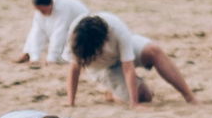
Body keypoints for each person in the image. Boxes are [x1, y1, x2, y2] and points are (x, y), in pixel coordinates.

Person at [67, 11, 196, 107]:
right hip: (101, 68)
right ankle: (112, 94)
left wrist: (134, 104)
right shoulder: (76, 36)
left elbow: (128, 68)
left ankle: (189, 97)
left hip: (121, 54)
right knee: (146, 96)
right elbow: (74, 69)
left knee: (154, 50)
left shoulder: (116, 29)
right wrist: (71, 102)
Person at [14, 0, 89, 66]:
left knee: (61, 51)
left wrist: (51, 58)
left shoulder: (63, 7)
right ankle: (27, 54)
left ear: (51, 4)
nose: (40, 13)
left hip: (81, 32)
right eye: (38, 10)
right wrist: (35, 57)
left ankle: (54, 57)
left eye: (43, 11)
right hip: (68, 29)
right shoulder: (41, 10)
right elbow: (37, 32)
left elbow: (59, 34)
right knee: (35, 29)